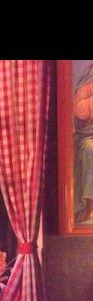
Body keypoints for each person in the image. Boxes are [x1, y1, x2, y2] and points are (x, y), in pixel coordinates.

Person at [74, 63, 93, 223]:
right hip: (88, 135)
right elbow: (80, 111)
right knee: (90, 150)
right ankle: (89, 206)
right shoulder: (88, 81)